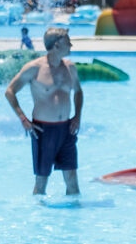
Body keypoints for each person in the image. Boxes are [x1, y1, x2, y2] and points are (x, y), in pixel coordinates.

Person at [5, 26, 83, 196]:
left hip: (66, 129)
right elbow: (10, 91)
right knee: (41, 182)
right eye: (68, 42)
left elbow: (78, 91)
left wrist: (77, 116)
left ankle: (74, 219)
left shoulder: (71, 68)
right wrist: (23, 119)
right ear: (56, 45)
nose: (71, 46)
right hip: (43, 130)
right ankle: (39, 220)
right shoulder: (34, 68)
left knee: (72, 180)